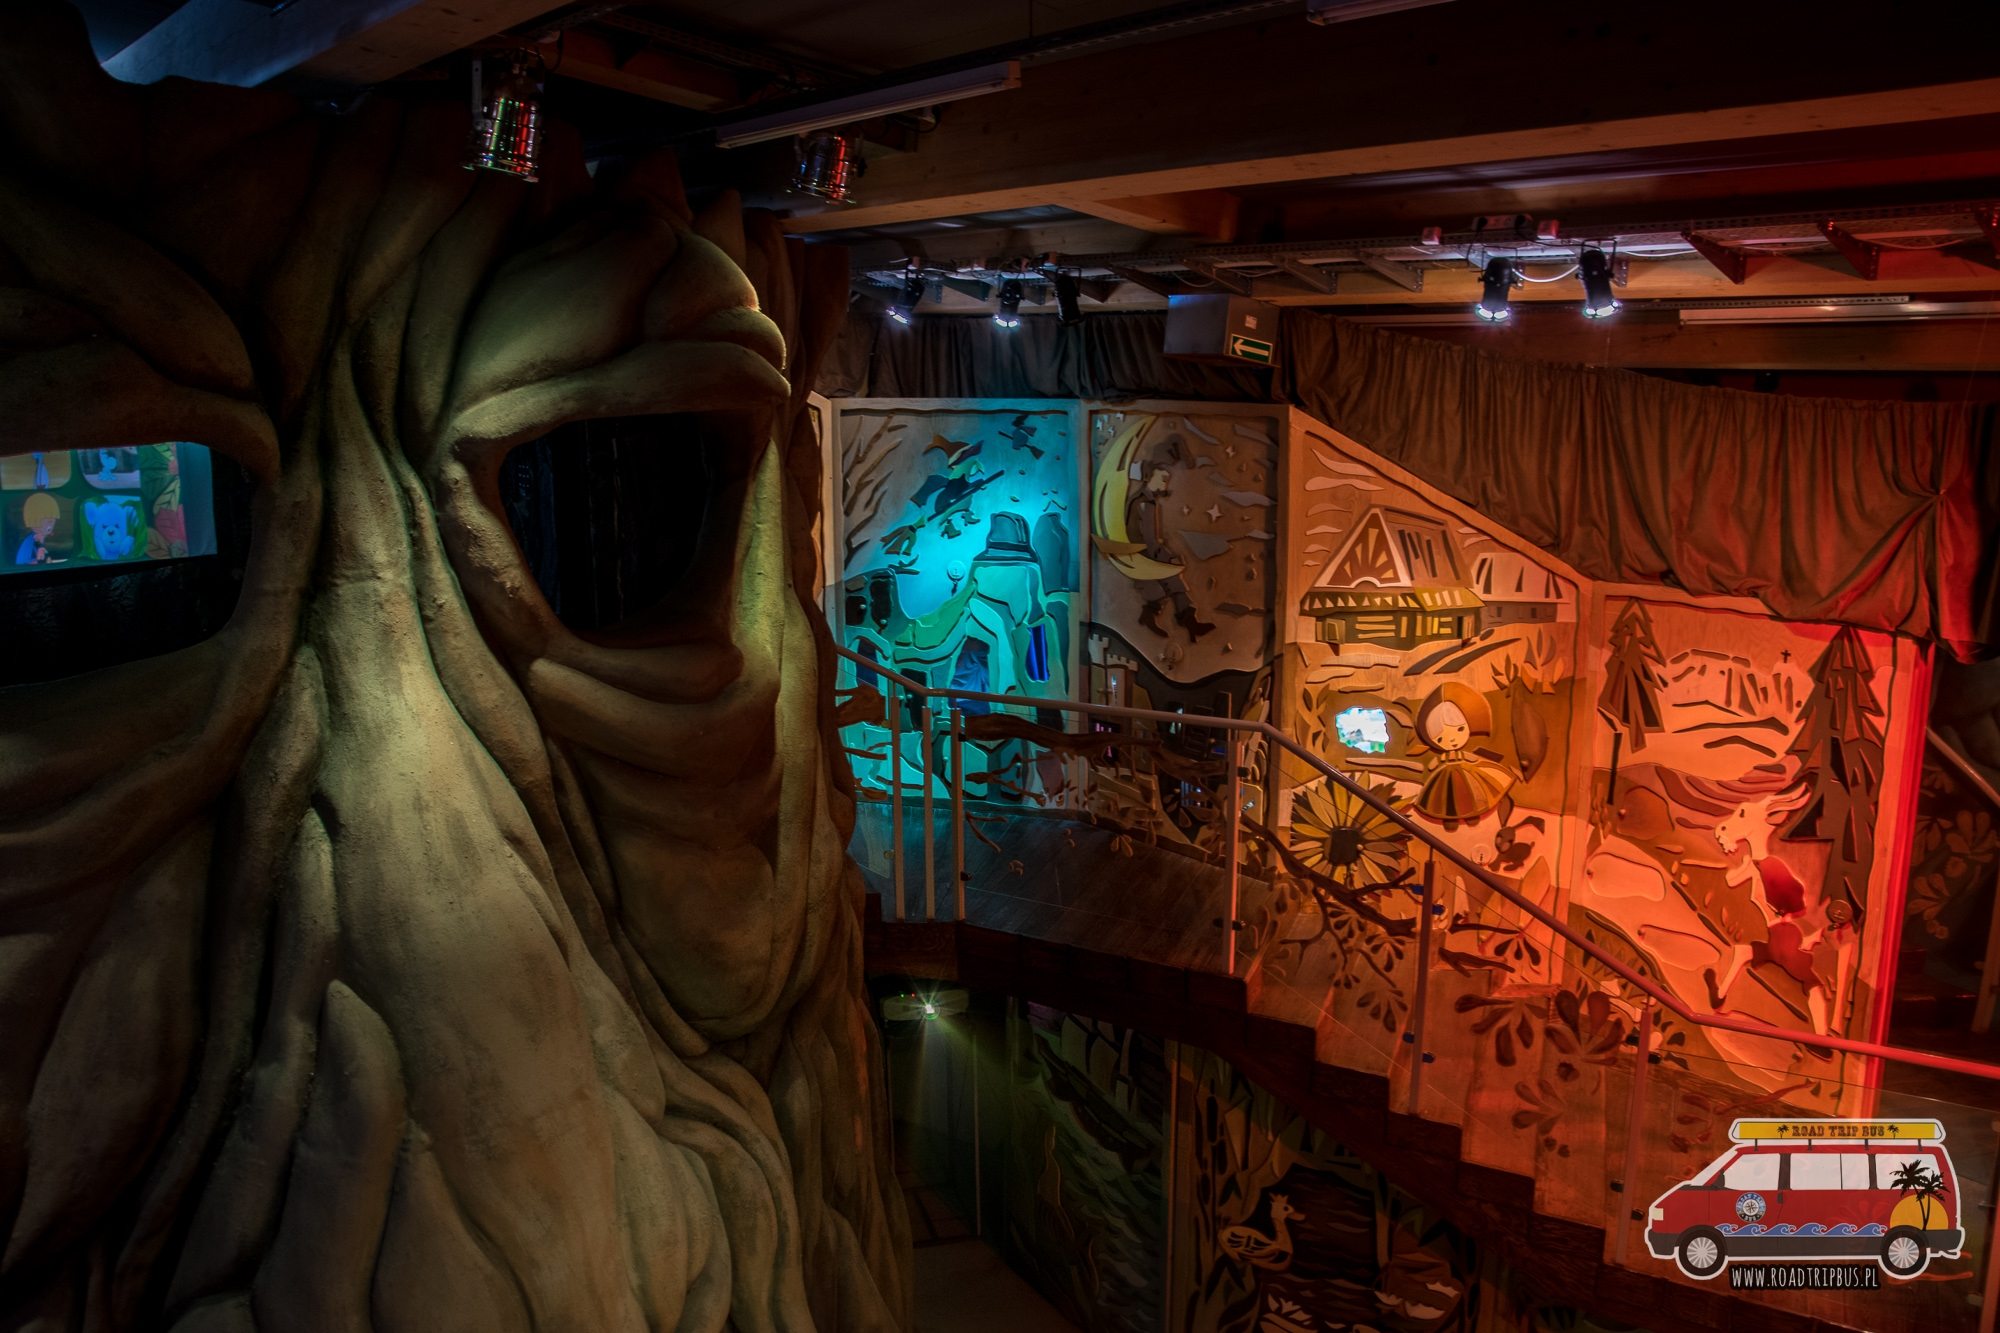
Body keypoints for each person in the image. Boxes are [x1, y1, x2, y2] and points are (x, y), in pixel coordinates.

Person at [1411, 683, 1515, 826]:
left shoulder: (1462, 754)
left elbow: (1471, 758)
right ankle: (1450, 818)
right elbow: (1432, 765)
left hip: (1466, 773)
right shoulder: (1444, 757)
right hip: (1446, 776)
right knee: (1447, 797)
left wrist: (1473, 758)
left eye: (1459, 729)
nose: (1452, 740)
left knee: (1470, 795)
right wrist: (1434, 764)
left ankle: (1472, 815)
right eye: (1440, 739)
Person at [1129, 465, 1214, 639]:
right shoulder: (1145, 504)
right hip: (1141, 557)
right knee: (1164, 582)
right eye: (1162, 479)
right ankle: (1155, 616)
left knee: (1174, 581)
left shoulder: (1142, 500)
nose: (1165, 484)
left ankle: (1189, 623)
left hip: (1144, 555)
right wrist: (1167, 560)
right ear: (1149, 478)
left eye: (1166, 480)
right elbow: (1149, 540)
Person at [14, 492, 57, 565]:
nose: (51, 525)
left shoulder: (38, 539)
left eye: (53, 521)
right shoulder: (33, 539)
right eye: (50, 521)